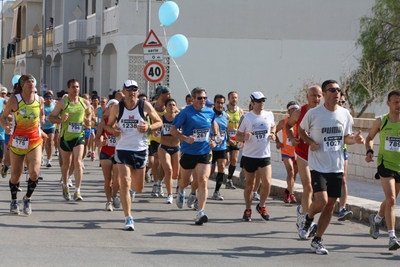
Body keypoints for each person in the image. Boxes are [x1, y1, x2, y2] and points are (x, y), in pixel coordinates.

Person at [298, 79, 364, 255]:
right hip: (318, 165)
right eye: (333, 90)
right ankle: (308, 217)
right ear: (325, 93)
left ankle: (317, 240)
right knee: (322, 201)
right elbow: (301, 131)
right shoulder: (314, 113)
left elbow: (346, 138)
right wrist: (311, 142)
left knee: (330, 206)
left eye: (339, 90)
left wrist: (355, 140)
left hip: (336, 166)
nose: (337, 93)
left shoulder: (345, 114)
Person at [105, 80, 162, 231]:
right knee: (124, 180)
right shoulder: (117, 107)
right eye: (129, 89)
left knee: (139, 187)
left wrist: (148, 127)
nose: (132, 92)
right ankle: (128, 217)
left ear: (138, 91)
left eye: (134, 89)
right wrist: (113, 130)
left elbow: (159, 122)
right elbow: (108, 125)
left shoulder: (145, 105)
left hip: (140, 149)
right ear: (123, 91)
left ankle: (130, 194)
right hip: (123, 148)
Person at [170, 87, 221, 225]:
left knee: (203, 180)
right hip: (188, 152)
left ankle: (201, 211)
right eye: (200, 98)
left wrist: (215, 139)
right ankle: (181, 190)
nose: (203, 100)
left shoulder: (210, 112)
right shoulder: (186, 113)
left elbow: (213, 125)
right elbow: (173, 130)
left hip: (204, 152)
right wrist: (185, 138)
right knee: (185, 181)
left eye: (205, 98)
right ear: (193, 99)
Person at [0, 74, 44, 215]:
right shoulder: (15, 100)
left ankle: (27, 198)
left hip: (35, 141)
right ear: (22, 85)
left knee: (34, 173)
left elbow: (41, 114)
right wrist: (6, 126)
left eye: (33, 81)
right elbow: (3, 116)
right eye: (28, 82)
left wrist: (41, 122)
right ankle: (14, 200)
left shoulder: (39, 99)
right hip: (18, 141)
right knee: (16, 175)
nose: (31, 83)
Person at [366, 90, 400, 251]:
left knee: (389, 201)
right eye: (396, 102)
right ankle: (392, 237)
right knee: (392, 199)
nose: (399, 105)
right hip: (385, 165)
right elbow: (369, 138)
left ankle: (377, 219)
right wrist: (369, 151)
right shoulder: (381, 121)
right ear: (388, 103)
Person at [285, 85, 322, 231]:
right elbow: (287, 126)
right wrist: (292, 138)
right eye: (313, 95)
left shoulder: (325, 112)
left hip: (319, 155)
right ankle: (306, 222)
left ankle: (302, 211)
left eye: (319, 96)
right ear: (307, 97)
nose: (316, 99)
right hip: (303, 154)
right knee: (308, 187)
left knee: (317, 191)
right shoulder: (299, 112)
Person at [48, 79, 92, 201]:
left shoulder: (84, 103)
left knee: (77, 162)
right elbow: (50, 118)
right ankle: (65, 184)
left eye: (77, 87)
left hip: (79, 136)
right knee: (66, 164)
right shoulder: (63, 103)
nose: (76, 89)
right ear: (68, 88)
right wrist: (61, 120)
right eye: (73, 87)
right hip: (65, 138)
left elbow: (90, 113)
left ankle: (77, 191)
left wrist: (87, 119)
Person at [235, 92, 275, 222]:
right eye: (258, 101)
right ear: (252, 103)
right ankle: (248, 209)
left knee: (267, 183)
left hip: (264, 155)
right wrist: (244, 137)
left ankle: (261, 205)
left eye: (263, 100)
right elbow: (238, 135)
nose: (261, 103)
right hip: (249, 156)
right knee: (250, 185)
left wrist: (273, 133)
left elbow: (273, 126)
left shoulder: (269, 115)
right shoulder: (246, 118)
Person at [95, 99, 120, 211]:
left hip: (118, 153)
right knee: (108, 179)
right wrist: (101, 143)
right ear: (109, 109)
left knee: (117, 180)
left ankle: (115, 195)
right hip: (106, 152)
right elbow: (96, 138)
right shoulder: (104, 122)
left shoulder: (121, 122)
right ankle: (108, 202)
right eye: (112, 107)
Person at [275, 101, 299, 203]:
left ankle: (287, 191)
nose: (295, 111)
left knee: (293, 174)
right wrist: (277, 141)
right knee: (290, 171)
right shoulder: (283, 122)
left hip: (297, 152)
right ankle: (292, 194)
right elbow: (274, 131)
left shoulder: (300, 122)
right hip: (285, 151)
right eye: (293, 109)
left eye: (296, 109)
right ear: (288, 111)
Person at [149, 85, 170, 197]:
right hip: (154, 138)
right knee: (155, 161)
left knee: (162, 162)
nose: (169, 95)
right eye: (167, 93)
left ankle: (159, 183)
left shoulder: (170, 106)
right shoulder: (151, 106)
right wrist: (150, 129)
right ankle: (156, 183)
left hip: (166, 139)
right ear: (161, 95)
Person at [158, 98, 180, 204]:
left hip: (176, 148)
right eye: (170, 105)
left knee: (175, 175)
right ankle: (170, 195)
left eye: (173, 105)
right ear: (165, 107)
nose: (172, 106)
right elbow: (156, 130)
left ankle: (166, 182)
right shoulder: (161, 119)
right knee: (168, 170)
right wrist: (155, 132)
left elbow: (186, 129)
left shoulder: (179, 118)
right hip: (164, 147)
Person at [337, 93, 353, 221]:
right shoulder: (323, 114)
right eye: (339, 102)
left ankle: (342, 208)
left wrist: (355, 139)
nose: (341, 104)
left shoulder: (346, 115)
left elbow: (348, 135)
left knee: (343, 180)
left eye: (343, 102)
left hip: (342, 152)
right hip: (324, 154)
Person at [210, 94, 228, 201]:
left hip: (222, 146)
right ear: (214, 103)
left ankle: (216, 191)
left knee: (221, 167)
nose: (220, 105)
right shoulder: (209, 114)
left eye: (222, 103)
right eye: (218, 103)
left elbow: (225, 130)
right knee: (210, 171)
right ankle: (197, 188)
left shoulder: (225, 115)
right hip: (211, 147)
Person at [225, 91, 244, 190]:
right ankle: (221, 174)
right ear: (228, 99)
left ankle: (229, 180)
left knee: (234, 160)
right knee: (227, 160)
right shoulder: (224, 110)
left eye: (236, 97)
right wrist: (228, 138)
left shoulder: (240, 111)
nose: (234, 99)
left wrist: (242, 138)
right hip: (226, 139)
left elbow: (243, 125)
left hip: (236, 138)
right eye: (232, 97)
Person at [42, 92, 56, 167]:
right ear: (44, 99)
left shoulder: (54, 106)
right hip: (43, 127)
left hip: (51, 126)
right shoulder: (42, 106)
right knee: (43, 144)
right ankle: (41, 156)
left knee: (50, 142)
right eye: (47, 98)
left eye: (50, 98)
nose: (49, 100)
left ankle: (49, 159)